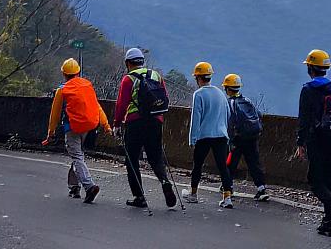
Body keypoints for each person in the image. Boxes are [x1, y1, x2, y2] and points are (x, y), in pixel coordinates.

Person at [112, 47, 177, 210]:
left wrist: (117, 124)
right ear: (142, 61)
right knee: (155, 156)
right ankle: (165, 181)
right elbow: (165, 98)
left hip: (135, 121)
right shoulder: (156, 76)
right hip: (156, 121)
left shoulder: (128, 79)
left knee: (132, 158)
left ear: (128, 63)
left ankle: (139, 196)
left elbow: (122, 104)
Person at [295, 49, 331, 237]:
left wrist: (300, 143)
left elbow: (304, 119)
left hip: (316, 141)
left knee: (315, 181)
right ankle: (327, 222)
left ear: (310, 67)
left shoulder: (308, 90)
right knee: (330, 182)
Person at [43, 58, 112, 204]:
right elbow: (97, 106)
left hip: (72, 127)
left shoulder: (62, 89)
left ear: (63, 73)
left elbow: (54, 114)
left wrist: (50, 133)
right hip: (89, 126)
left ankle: (89, 186)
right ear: (78, 72)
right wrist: (106, 125)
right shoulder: (87, 85)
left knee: (77, 157)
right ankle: (74, 186)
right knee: (78, 154)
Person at [185, 61, 234, 208]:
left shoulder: (198, 94)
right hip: (220, 135)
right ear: (210, 77)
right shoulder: (220, 93)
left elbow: (196, 118)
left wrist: (192, 138)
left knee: (198, 165)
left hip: (204, 136)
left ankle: (193, 194)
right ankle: (227, 197)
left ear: (198, 78)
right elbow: (227, 115)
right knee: (222, 167)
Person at [222, 73, 269, 201]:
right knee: (254, 162)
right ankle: (261, 188)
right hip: (252, 136)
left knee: (231, 163)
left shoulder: (230, 103)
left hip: (238, 138)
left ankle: (228, 187)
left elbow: (230, 123)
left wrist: (230, 140)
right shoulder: (247, 100)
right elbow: (258, 115)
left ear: (227, 88)